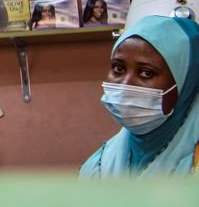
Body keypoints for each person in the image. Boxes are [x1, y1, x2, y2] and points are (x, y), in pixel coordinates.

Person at [81, 16, 199, 177]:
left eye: (146, 73)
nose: (126, 85)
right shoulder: (98, 167)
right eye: (118, 68)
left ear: (186, 81)